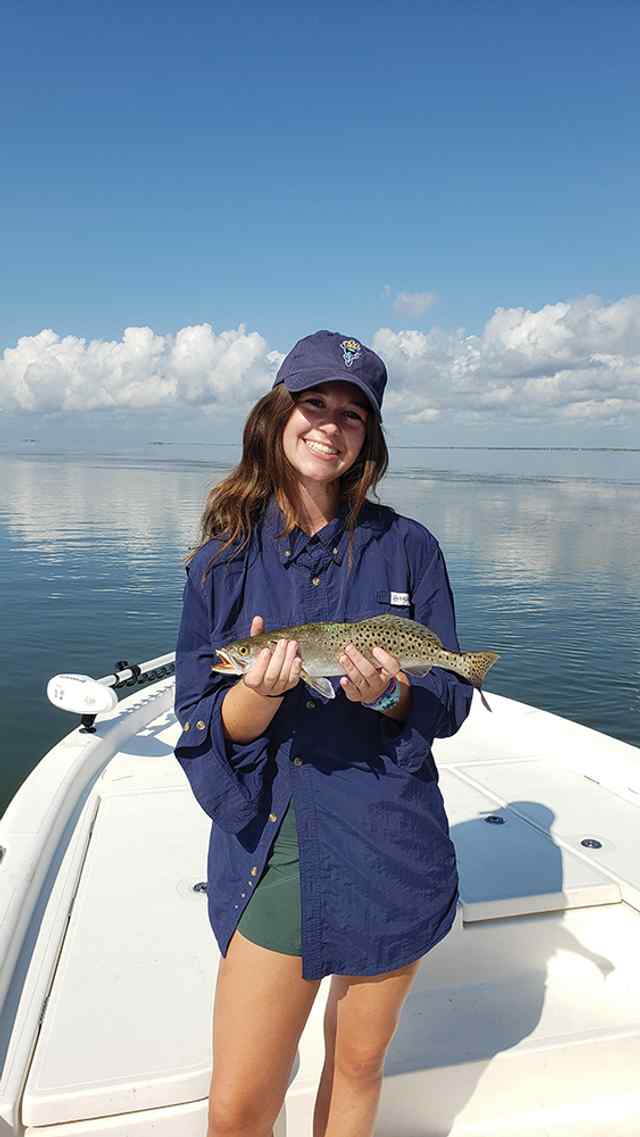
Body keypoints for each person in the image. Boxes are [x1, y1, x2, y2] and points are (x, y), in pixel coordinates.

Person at [173, 329, 473, 1137]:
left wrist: (388, 697)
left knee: (358, 1063)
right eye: (314, 404)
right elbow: (202, 718)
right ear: (277, 414)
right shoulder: (220, 564)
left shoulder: (410, 548)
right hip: (283, 837)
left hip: (390, 832)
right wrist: (260, 697)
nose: (330, 425)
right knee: (239, 1106)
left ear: (368, 437)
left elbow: (446, 701)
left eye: (352, 413)